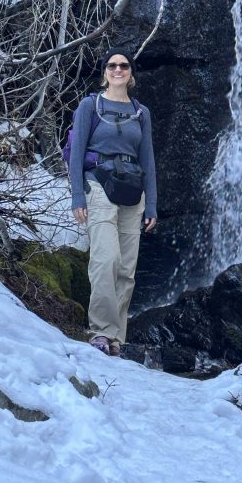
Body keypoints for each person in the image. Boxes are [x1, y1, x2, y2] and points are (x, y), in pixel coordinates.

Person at [69, 47, 157, 356]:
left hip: (133, 190)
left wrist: (153, 205)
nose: (117, 70)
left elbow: (148, 159)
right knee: (106, 259)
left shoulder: (140, 112)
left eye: (124, 66)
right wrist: (77, 195)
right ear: (105, 71)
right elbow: (77, 153)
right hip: (99, 184)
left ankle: (116, 337)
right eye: (112, 65)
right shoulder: (89, 106)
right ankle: (100, 331)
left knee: (126, 268)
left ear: (131, 73)